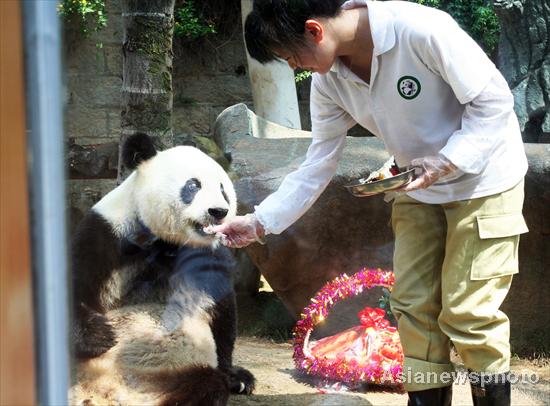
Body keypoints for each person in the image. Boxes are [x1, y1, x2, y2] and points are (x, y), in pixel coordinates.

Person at [207, 1, 529, 405]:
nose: (294, 67)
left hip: (485, 181)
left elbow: (495, 103)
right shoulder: (329, 83)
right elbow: (317, 165)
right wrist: (258, 222)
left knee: (469, 313)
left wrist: (448, 160)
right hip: (416, 187)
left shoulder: (421, 30)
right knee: (412, 308)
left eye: (291, 57)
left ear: (314, 30)